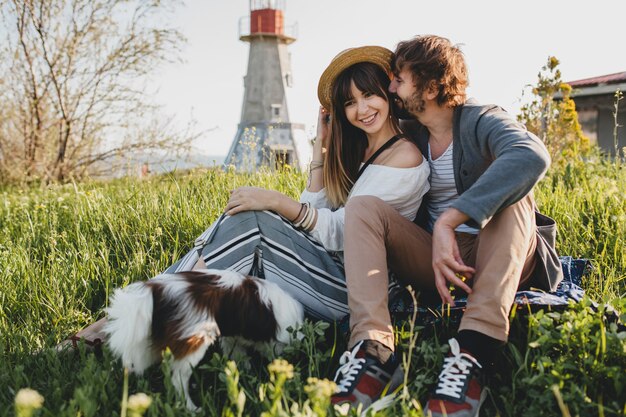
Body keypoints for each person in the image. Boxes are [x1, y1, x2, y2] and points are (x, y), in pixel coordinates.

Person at [58, 46, 431, 356]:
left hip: (355, 290)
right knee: (242, 225)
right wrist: (321, 150)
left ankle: (127, 318)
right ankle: (136, 316)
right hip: (326, 270)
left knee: (253, 222)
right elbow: (315, 214)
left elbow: (337, 232)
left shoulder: (404, 158)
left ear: (387, 93)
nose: (362, 109)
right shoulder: (365, 150)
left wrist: (272, 200)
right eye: (350, 103)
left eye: (369, 95)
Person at [329, 35, 563, 417]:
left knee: (515, 197)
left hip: (502, 254)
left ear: (432, 85)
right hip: (439, 263)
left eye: (399, 80)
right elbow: (361, 113)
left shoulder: (482, 119)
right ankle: (373, 348)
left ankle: (472, 354)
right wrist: (324, 138)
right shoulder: (412, 130)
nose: (391, 89)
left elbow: (532, 154)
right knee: (363, 208)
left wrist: (450, 221)